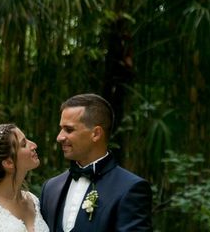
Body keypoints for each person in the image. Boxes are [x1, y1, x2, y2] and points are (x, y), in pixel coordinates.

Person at [40, 94, 152, 231]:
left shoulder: (130, 188)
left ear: (96, 134)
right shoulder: (50, 188)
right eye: (61, 129)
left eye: (69, 130)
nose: (59, 137)